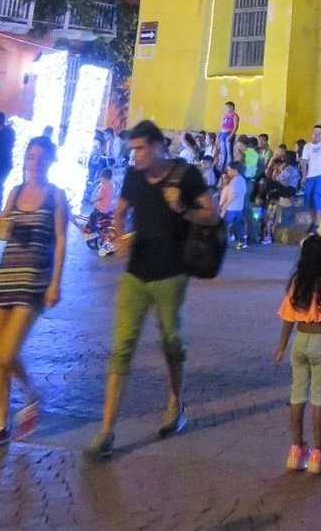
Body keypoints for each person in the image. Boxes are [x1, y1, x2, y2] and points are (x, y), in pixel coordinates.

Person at [83, 119, 218, 460]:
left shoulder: (185, 175)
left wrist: (182, 208)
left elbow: (212, 214)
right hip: (135, 275)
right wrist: (118, 234)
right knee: (122, 348)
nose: (136, 155)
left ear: (158, 145)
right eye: (133, 150)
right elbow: (121, 211)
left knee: (171, 342)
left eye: (141, 148)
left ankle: (175, 401)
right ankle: (107, 430)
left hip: (171, 275)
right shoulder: (132, 176)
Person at [0, 135, 68, 452]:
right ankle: (1, 425)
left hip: (33, 282)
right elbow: (1, 234)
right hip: (4, 279)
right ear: (25, 159)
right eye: (31, 156)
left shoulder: (56, 196)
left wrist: (56, 282)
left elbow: (61, 240)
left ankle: (31, 396)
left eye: (41, 157)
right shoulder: (14, 193)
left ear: (51, 161)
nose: (35, 162)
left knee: (5, 353)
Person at [273, 233, 321, 474]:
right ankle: (318, 454)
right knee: (319, 398)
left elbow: (287, 317)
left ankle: (296, 450)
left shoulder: (297, 281)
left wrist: (282, 346)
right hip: (320, 341)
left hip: (299, 341)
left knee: (297, 395)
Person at [302, 127, 321, 231]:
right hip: (310, 176)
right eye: (314, 132)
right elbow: (304, 161)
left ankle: (317, 223)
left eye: (318, 133)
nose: (316, 134)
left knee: (317, 198)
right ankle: (313, 222)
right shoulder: (307, 146)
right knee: (309, 199)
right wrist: (304, 176)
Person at [220, 160, 248, 249]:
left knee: (223, 225)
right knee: (238, 225)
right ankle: (242, 242)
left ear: (235, 170)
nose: (228, 172)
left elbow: (234, 195)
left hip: (231, 208)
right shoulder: (242, 179)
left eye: (229, 170)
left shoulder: (236, 180)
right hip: (238, 208)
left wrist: (225, 205)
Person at [216, 101, 239, 171]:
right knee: (223, 153)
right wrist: (218, 136)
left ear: (232, 107)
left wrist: (231, 136)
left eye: (228, 107)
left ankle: (230, 169)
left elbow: (236, 127)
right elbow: (221, 126)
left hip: (229, 135)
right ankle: (221, 169)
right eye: (225, 107)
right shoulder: (225, 115)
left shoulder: (235, 116)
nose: (226, 109)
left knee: (229, 153)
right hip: (222, 135)